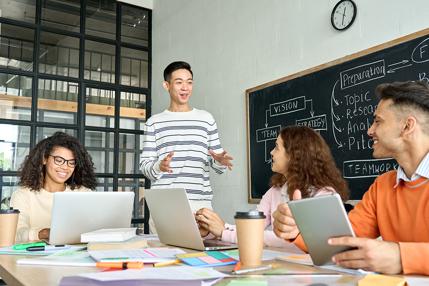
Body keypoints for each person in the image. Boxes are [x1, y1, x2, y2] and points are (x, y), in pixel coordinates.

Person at [273, 80, 429, 275]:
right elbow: (342, 241)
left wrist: (402, 257)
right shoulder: (383, 186)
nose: (370, 130)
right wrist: (297, 230)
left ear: (407, 126)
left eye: (378, 121)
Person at [196, 126, 349, 247]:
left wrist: (223, 231)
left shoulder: (324, 195)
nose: (271, 152)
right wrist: (213, 229)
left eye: (276, 147)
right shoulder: (274, 191)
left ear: (294, 155)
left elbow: (287, 240)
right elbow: (252, 229)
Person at [140, 61, 233, 213]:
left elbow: (218, 165)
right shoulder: (153, 123)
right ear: (166, 85)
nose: (185, 88)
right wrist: (159, 166)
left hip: (200, 204)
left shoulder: (206, 119)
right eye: (179, 82)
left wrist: (220, 161)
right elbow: (145, 166)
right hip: (165, 203)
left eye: (189, 82)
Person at [10, 132, 97, 242]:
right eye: (59, 160)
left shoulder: (84, 193)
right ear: (44, 159)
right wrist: (44, 233)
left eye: (71, 162)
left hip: (75, 256)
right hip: (33, 257)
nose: (65, 167)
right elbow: (16, 234)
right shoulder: (23, 195)